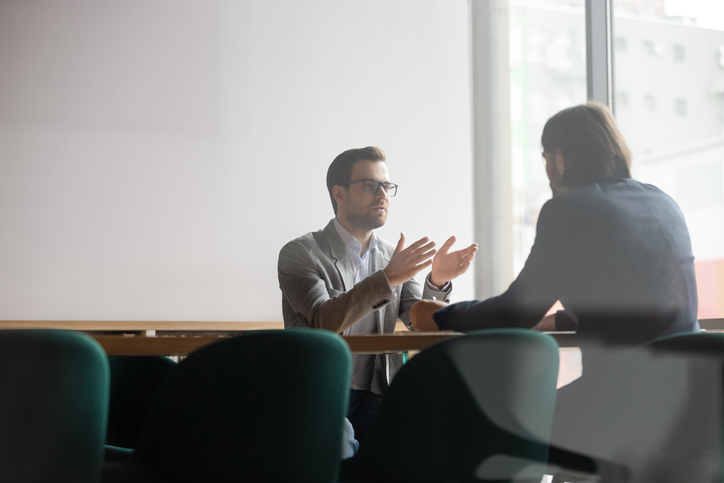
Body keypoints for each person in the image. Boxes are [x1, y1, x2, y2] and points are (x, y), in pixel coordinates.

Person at [410, 101, 699, 348]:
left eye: (546, 158)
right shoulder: (663, 201)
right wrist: (555, 320)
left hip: (632, 394)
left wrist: (439, 316)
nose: (547, 171)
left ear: (559, 158)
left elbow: (515, 311)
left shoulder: (570, 210)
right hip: (696, 387)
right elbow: (638, 299)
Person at [278, 146, 477, 447]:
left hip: (377, 395)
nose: (382, 194)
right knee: (339, 443)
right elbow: (322, 320)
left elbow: (418, 321)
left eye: (387, 186)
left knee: (425, 433)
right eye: (370, 185)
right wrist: (388, 279)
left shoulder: (390, 256)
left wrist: (437, 280)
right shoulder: (300, 253)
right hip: (317, 392)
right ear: (339, 193)